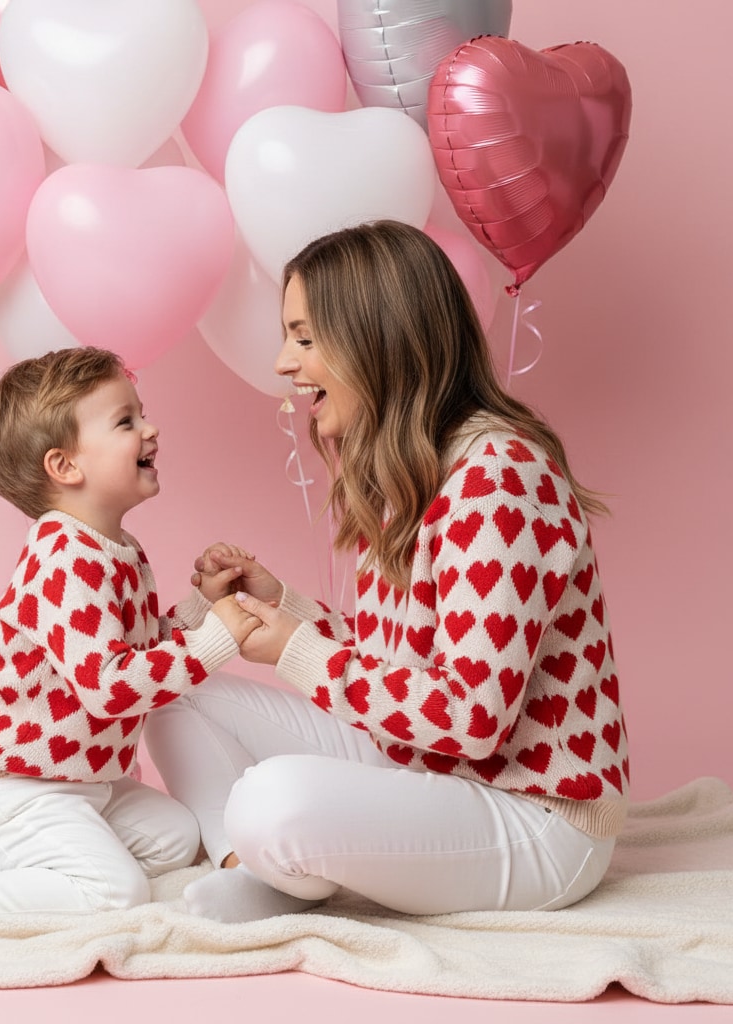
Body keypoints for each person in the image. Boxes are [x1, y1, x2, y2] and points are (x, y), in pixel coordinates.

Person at [144, 220, 630, 924]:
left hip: (537, 818)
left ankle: (281, 855)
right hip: (433, 770)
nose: (283, 361)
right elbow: (402, 663)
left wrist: (293, 651)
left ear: (380, 339)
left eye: (305, 337)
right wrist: (288, 609)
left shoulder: (495, 479)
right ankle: (254, 869)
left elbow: (470, 717)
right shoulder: (419, 468)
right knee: (174, 693)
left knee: (270, 799)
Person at [0, 346, 260, 914]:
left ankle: (57, 855)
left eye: (141, 413)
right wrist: (215, 641)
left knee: (176, 838)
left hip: (77, 779)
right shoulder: (65, 559)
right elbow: (109, 687)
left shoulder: (117, 549)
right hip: (5, 786)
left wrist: (203, 608)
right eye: (126, 421)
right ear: (66, 466)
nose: (151, 429)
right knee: (113, 891)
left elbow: (144, 654)